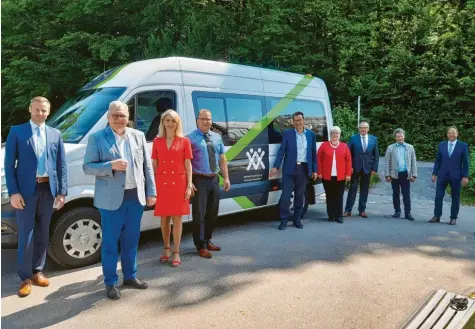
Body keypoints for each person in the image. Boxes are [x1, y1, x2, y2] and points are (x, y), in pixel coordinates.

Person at [83, 101, 156, 300]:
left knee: (132, 240)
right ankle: (110, 282)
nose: (119, 119)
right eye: (115, 115)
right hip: (110, 200)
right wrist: (110, 165)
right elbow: (88, 167)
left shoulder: (138, 136)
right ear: (108, 117)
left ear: (128, 116)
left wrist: (152, 192)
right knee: (110, 243)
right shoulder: (97, 138)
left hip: (136, 196)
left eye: (123, 115)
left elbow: (147, 167)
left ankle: (130, 276)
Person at [4, 96, 67, 298]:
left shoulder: (55, 134)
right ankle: (25, 278)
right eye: (37, 109)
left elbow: (61, 165)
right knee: (26, 235)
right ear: (30, 109)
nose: (40, 113)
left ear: (49, 112)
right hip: (25, 192)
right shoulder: (17, 132)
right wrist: (14, 192)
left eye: (44, 110)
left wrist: (62, 192)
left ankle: (37, 271)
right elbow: (8, 165)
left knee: (42, 233)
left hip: (48, 190)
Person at [187, 109, 231, 259]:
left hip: (214, 179)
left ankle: (207, 239)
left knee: (212, 212)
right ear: (197, 120)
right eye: (203, 119)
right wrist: (189, 182)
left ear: (212, 121)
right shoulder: (190, 139)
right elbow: (185, 163)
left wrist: (226, 178)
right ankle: (200, 246)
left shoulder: (217, 137)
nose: (206, 121)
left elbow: (222, 159)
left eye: (208, 119)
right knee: (199, 214)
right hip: (199, 179)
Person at [152, 110, 193, 267]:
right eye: (167, 120)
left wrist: (189, 185)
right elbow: (154, 164)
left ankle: (176, 251)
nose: (169, 123)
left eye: (173, 121)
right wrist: (153, 185)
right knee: (164, 218)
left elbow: (188, 165)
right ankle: (166, 248)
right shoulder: (157, 141)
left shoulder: (184, 141)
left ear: (178, 123)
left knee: (177, 218)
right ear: (163, 122)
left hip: (179, 182)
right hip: (162, 182)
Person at [270, 111, 318, 230]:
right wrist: (276, 166)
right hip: (289, 169)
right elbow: (282, 151)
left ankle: (297, 219)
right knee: (286, 196)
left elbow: (313, 153)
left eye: (299, 120)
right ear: (293, 122)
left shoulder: (311, 135)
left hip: (303, 169)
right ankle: (284, 220)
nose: (297, 123)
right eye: (295, 120)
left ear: (303, 120)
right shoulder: (288, 134)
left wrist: (315, 170)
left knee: (299, 196)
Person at [430, 126, 470, 225]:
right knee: (438, 196)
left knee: (455, 197)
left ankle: (453, 218)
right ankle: (437, 216)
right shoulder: (442, 145)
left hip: (456, 176)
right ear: (447, 134)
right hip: (442, 175)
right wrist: (434, 173)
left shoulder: (463, 146)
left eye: (453, 133)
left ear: (457, 134)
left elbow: (465, 162)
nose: (451, 135)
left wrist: (465, 176)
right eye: (449, 133)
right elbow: (438, 160)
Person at [344, 121, 379, 218]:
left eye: (365, 127)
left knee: (365, 190)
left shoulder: (374, 139)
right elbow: (348, 154)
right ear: (359, 128)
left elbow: (376, 155)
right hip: (355, 168)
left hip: (367, 168)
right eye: (361, 127)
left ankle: (362, 210)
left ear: (368, 129)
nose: (363, 129)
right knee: (352, 189)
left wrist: (374, 169)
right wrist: (349, 167)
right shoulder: (353, 138)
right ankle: (348, 210)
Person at [317, 126, 352, 223]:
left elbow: (349, 161)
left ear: (339, 135)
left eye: (337, 133)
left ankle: (339, 216)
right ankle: (331, 215)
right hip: (327, 176)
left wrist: (348, 174)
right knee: (329, 196)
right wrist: (319, 172)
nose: (335, 135)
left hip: (340, 176)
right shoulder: (324, 145)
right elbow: (318, 159)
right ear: (330, 135)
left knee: (339, 196)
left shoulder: (344, 146)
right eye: (333, 133)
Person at [383, 128, 418, 221]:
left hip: (405, 174)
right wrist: (387, 174)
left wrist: (414, 174)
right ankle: (397, 211)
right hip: (394, 174)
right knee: (395, 193)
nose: (400, 138)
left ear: (404, 136)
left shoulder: (410, 147)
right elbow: (387, 162)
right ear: (395, 138)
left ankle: (408, 212)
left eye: (401, 136)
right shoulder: (390, 148)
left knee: (406, 193)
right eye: (398, 136)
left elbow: (413, 161)